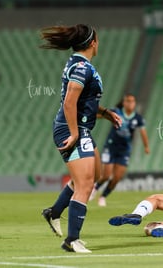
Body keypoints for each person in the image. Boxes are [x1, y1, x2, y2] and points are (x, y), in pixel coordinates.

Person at [39, 24, 122, 253]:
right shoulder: (81, 68)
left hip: (81, 128)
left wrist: (105, 113)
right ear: (93, 42)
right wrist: (75, 133)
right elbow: (69, 103)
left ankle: (53, 212)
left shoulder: (81, 65)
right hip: (71, 129)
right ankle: (71, 240)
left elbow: (84, 104)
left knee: (96, 175)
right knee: (85, 184)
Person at [89, 93, 150, 206]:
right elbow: (101, 115)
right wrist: (89, 115)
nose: (130, 103)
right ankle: (95, 188)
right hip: (111, 147)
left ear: (135, 103)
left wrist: (146, 146)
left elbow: (143, 133)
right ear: (124, 102)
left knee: (117, 178)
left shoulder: (138, 118)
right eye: (128, 101)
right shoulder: (116, 112)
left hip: (125, 150)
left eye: (132, 101)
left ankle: (103, 196)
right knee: (106, 175)